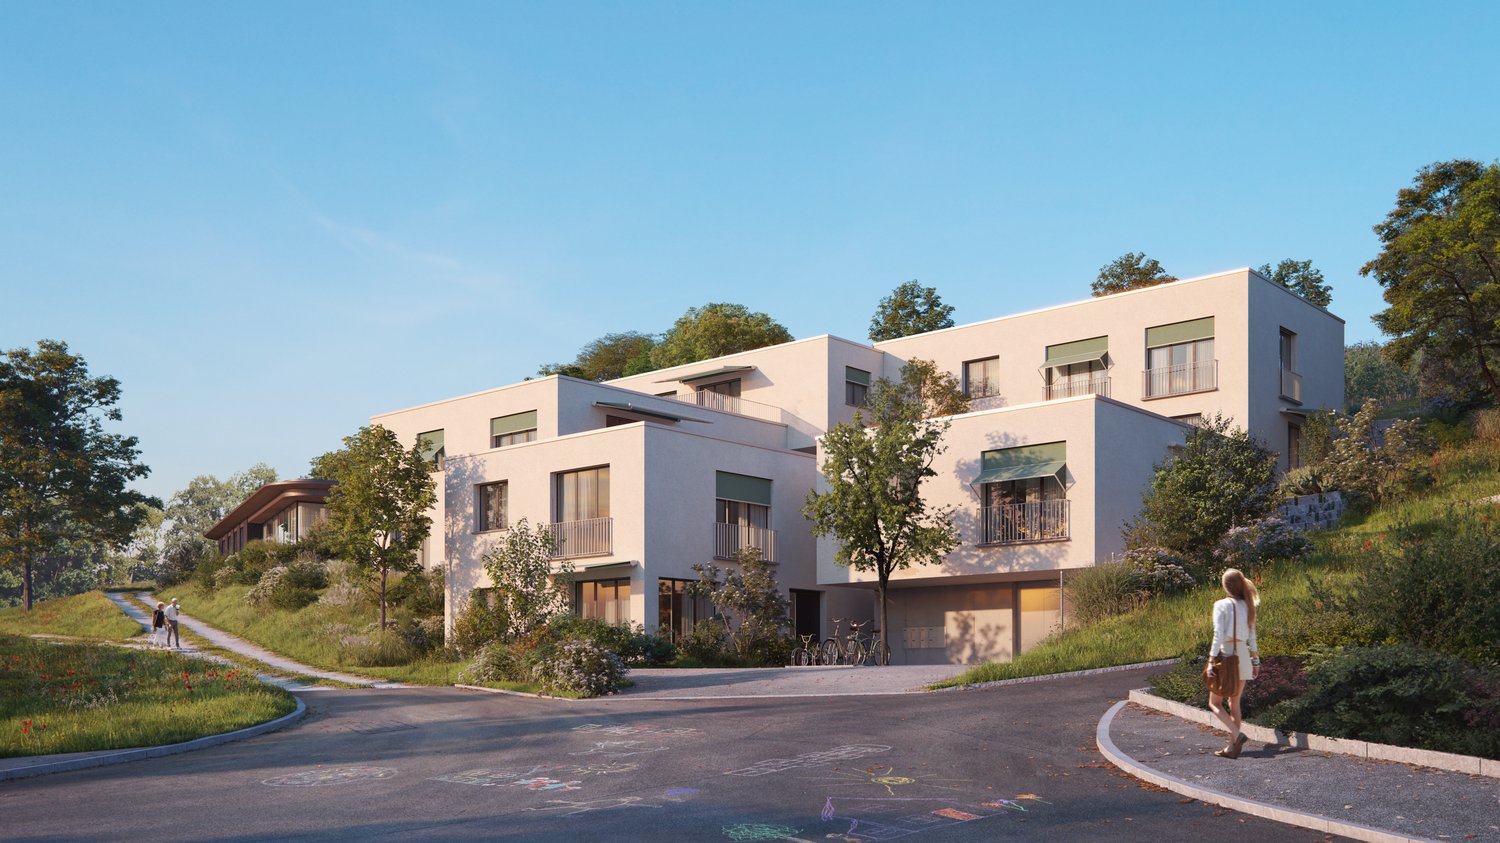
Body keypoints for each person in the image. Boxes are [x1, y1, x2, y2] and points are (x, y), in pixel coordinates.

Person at [1205, 567, 1260, 759]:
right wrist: (1256, 661)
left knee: (1215, 703)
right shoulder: (1248, 605)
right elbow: (1252, 636)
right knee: (1234, 704)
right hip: (1243, 656)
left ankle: (1237, 736)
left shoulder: (1221, 605)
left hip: (1227, 656)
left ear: (1226, 586)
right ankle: (1232, 748)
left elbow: (1218, 634)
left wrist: (1211, 660)